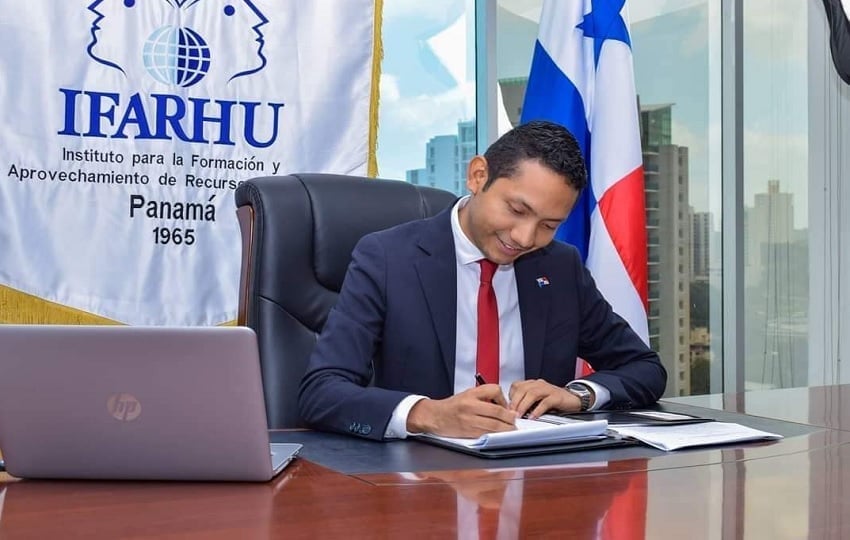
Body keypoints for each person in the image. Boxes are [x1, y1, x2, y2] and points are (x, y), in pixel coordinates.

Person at [298, 120, 666, 440]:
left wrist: (579, 395)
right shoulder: (387, 258)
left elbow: (644, 368)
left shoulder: (559, 267)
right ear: (478, 176)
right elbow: (322, 392)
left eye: (548, 225)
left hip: (536, 481)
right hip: (422, 484)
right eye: (517, 210)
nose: (524, 238)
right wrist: (428, 415)